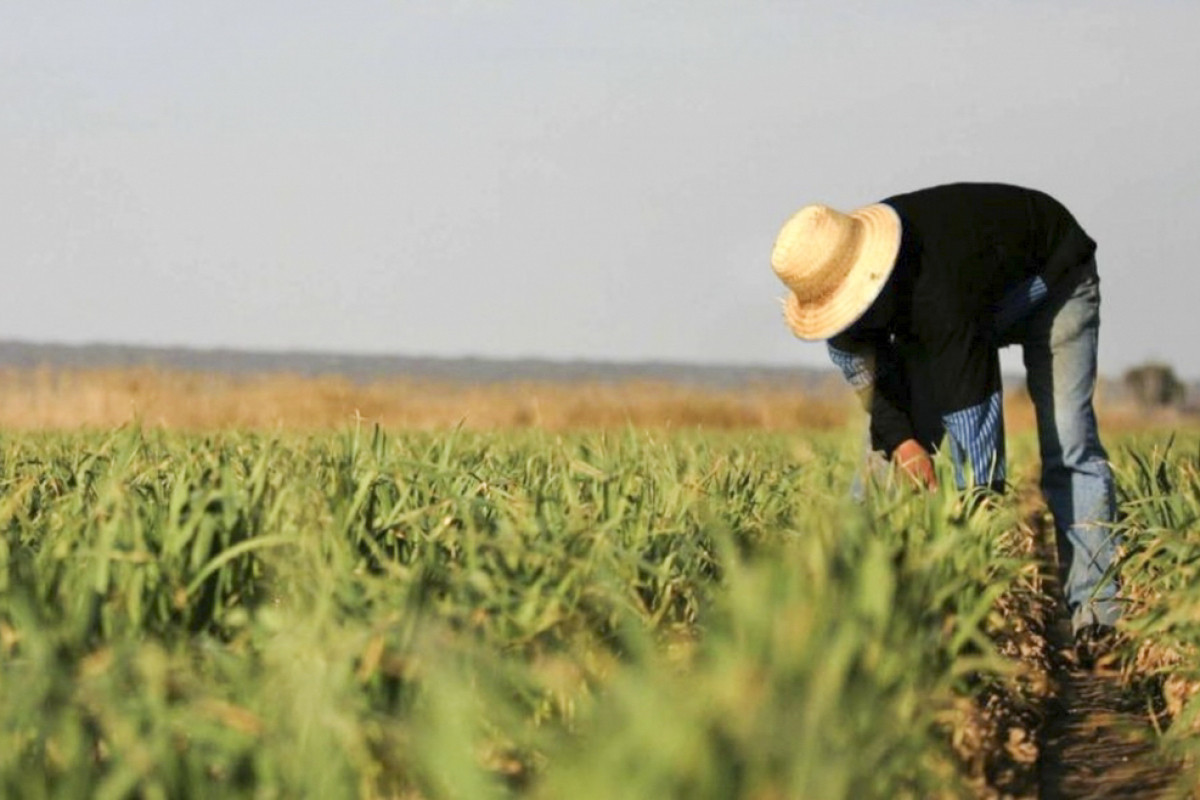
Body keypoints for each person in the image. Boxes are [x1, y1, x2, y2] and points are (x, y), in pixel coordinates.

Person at [769, 182, 1120, 656]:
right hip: (970, 301)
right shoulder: (843, 319)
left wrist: (975, 531)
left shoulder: (936, 290)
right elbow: (878, 396)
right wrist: (906, 447)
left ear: (869, 281)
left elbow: (977, 423)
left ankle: (1096, 619)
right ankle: (850, 610)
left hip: (1051, 279)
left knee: (1068, 441)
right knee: (880, 464)